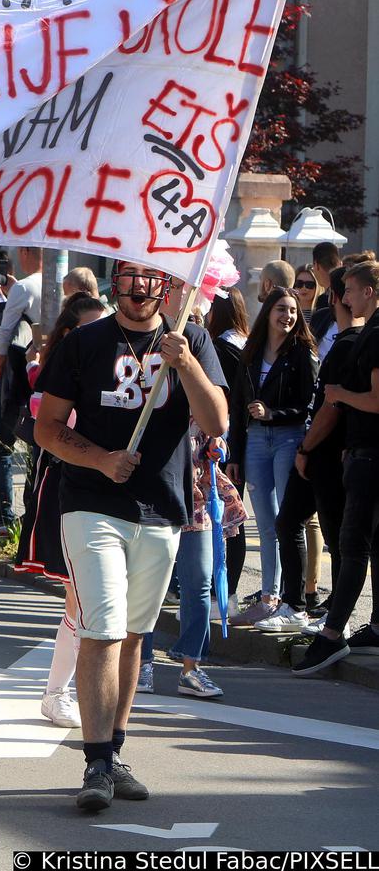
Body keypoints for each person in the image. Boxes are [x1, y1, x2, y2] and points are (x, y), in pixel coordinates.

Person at [33, 261, 228, 811]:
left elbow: (217, 422)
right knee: (103, 627)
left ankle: (114, 753)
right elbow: (47, 427)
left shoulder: (192, 339)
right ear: (115, 280)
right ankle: (95, 763)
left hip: (162, 507)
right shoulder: (84, 343)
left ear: (165, 284)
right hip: (92, 504)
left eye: (150, 276)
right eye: (130, 276)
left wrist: (185, 363)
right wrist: (100, 460)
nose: (139, 287)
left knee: (135, 634)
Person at [15, 294, 109, 725]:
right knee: (79, 596)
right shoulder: (56, 377)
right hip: (69, 487)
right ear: (71, 334)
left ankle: (68, 690)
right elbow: (46, 425)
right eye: (91, 327)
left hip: (114, 491)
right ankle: (57, 692)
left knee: (94, 601)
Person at [294, 261, 379, 675]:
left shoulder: (374, 335)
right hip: (363, 452)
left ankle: (330, 635)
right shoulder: (370, 332)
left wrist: (340, 393)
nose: (343, 299)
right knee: (370, 544)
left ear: (368, 292)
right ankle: (375, 627)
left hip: (371, 456)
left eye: (349, 290)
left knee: (352, 546)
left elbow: (377, 400)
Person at [225, 287, 317, 625]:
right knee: (264, 522)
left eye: (292, 310)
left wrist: (272, 414)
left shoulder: (302, 353)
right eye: (281, 309)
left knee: (286, 521)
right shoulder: (250, 352)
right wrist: (235, 453)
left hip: (289, 438)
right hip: (254, 441)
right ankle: (268, 597)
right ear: (268, 313)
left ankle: (290, 600)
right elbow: (238, 406)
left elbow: (308, 406)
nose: (288, 316)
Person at [0, 247, 42, 538]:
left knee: (1, 445)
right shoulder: (59, 283)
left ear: (26, 252)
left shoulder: (24, 287)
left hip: (16, 375)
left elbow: (4, 333)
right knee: (37, 445)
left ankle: (3, 516)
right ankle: (32, 512)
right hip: (44, 376)